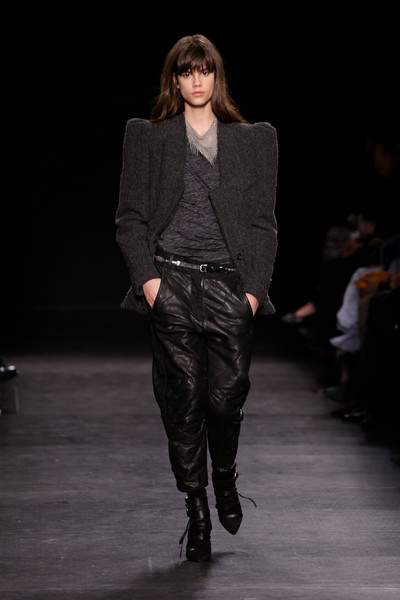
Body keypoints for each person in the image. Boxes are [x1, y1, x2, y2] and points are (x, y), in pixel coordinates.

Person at [115, 34, 278, 562]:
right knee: (183, 404)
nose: (197, 80)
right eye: (187, 71)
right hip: (173, 283)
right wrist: (150, 283)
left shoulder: (254, 141)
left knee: (225, 401)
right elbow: (130, 218)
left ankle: (224, 477)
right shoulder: (149, 137)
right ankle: (197, 510)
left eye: (205, 70)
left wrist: (252, 293)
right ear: (175, 80)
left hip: (230, 287)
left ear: (217, 76)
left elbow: (263, 225)